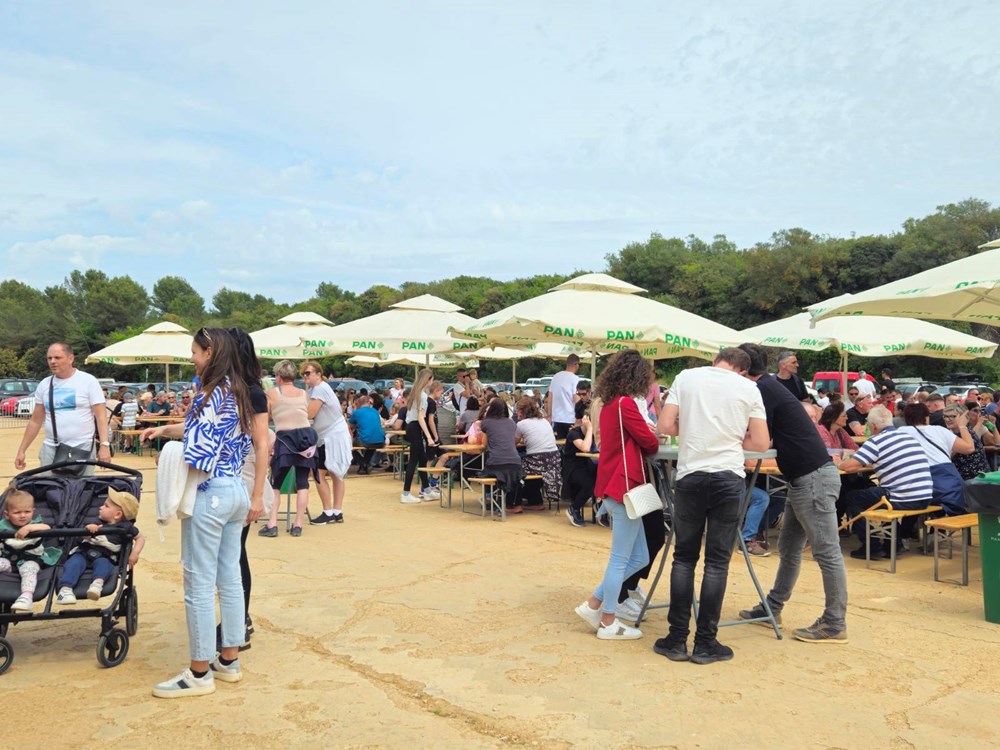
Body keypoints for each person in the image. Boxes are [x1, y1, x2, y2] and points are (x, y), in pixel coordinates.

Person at [140, 328, 261, 697]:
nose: (191, 358)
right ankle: (229, 661)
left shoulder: (210, 393)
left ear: (209, 352)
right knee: (230, 580)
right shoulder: (240, 390)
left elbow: (199, 452)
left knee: (199, 584)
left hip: (210, 494)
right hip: (235, 489)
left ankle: (198, 672)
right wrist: (168, 429)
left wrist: (170, 454)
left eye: (194, 351)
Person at [654, 348, 768, 663]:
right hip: (728, 476)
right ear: (743, 370)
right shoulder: (749, 388)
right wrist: (732, 437)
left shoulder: (687, 377)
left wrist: (692, 430)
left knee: (683, 559)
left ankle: (676, 639)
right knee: (717, 563)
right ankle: (705, 642)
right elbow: (760, 443)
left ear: (716, 361)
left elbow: (665, 425)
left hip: (691, 475)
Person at [735, 343, 848, 645]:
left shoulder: (763, 390)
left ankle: (835, 623)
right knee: (789, 548)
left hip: (812, 479)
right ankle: (772, 607)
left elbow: (760, 440)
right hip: (806, 479)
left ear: (742, 370)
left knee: (827, 552)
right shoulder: (769, 386)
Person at [574, 350, 660, 640]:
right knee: (623, 558)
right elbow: (649, 442)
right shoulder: (625, 403)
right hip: (624, 485)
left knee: (638, 557)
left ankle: (594, 605)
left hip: (615, 485)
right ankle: (607, 621)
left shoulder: (611, 403)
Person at [223, 327, 269, 650]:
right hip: (232, 473)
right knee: (230, 551)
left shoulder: (253, 392)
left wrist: (257, 495)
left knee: (235, 550)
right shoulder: (227, 388)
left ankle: (240, 622)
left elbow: (262, 445)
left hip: (246, 472)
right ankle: (238, 619)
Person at [839, 405, 933, 559]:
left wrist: (839, 463)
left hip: (902, 498)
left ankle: (871, 545)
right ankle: (892, 545)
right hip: (924, 496)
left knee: (854, 497)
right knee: (880, 495)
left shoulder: (876, 441)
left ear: (873, 426)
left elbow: (849, 467)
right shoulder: (908, 437)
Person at [15, 342, 112, 474]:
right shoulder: (44, 384)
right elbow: (35, 421)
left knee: (82, 485)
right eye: (49, 358)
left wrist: (104, 445)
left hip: (82, 446)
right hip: (52, 447)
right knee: (48, 485)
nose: (52, 362)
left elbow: (101, 416)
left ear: (70, 358)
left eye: (57, 357)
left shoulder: (88, 381)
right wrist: (22, 450)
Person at [56, 489, 145, 604]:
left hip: (105, 556)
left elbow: (140, 538)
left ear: (117, 515)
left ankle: (97, 585)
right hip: (83, 553)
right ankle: (65, 590)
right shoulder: (97, 521)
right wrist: (89, 529)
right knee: (73, 563)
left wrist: (135, 553)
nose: (100, 507)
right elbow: (84, 536)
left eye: (106, 506)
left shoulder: (126, 527)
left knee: (104, 565)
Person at [260, 361, 316, 537]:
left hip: (285, 439)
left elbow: (264, 418)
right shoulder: (304, 393)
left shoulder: (272, 393)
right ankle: (298, 524)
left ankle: (272, 523)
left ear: (278, 376)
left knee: (276, 483)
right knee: (302, 482)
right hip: (306, 437)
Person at [899, 402, 973, 515]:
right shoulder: (939, 430)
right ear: (926, 417)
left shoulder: (901, 432)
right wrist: (962, 426)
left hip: (920, 486)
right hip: (951, 487)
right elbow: (969, 448)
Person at [300, 362, 351, 525]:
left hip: (331, 436)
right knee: (335, 473)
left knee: (319, 473)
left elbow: (310, 413)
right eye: (303, 374)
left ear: (318, 373)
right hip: (330, 435)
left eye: (308, 373)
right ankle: (337, 511)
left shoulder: (320, 388)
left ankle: (328, 512)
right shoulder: (316, 389)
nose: (305, 376)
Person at [0, 489, 60, 612]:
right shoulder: (3, 525)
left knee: (29, 569)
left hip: (31, 560)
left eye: (27, 511)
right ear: (7, 514)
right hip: (8, 561)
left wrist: (29, 528)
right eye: (17, 512)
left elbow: (47, 527)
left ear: (33, 511)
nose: (23, 515)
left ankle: (26, 596)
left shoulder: (35, 523)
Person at [476, 396, 525, 513]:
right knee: (512, 476)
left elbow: (484, 444)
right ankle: (513, 504)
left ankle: (490, 500)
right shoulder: (511, 423)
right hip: (515, 462)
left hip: (496, 462)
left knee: (486, 472)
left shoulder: (486, 423)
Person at [515, 396, 561, 510]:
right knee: (529, 465)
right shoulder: (544, 421)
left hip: (538, 460)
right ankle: (534, 500)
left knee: (515, 466)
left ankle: (517, 499)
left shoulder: (521, 424)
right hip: (554, 459)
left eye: (517, 410)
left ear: (522, 411)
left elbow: (513, 443)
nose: (516, 412)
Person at [400, 369, 438, 504]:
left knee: (422, 460)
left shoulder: (414, 393)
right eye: (432, 379)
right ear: (428, 380)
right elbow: (421, 418)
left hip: (411, 427)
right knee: (413, 462)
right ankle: (405, 493)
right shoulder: (422, 396)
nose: (432, 381)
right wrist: (429, 437)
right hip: (416, 427)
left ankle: (427, 491)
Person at [563, 400, 596, 527]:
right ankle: (574, 508)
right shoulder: (574, 433)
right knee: (590, 484)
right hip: (572, 467)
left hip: (587, 464)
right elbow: (585, 448)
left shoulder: (594, 433)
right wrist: (590, 429)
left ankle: (601, 508)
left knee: (605, 477)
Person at [945, 404, 991, 480]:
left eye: (952, 416)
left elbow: (948, 455)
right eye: (945, 416)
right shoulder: (951, 433)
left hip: (975, 480)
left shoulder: (966, 433)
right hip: (963, 478)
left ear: (963, 418)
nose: (948, 419)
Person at [349, 395, 387, 474]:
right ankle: (363, 468)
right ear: (369, 403)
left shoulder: (357, 412)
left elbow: (350, 426)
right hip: (381, 441)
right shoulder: (375, 411)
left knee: (349, 446)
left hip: (366, 441)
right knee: (371, 445)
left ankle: (364, 463)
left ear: (359, 403)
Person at [545, 354, 581, 439]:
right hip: (570, 417)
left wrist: (549, 415)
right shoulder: (575, 379)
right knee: (572, 443)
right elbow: (576, 399)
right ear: (576, 364)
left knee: (560, 442)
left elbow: (550, 397)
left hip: (557, 418)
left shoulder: (556, 377)